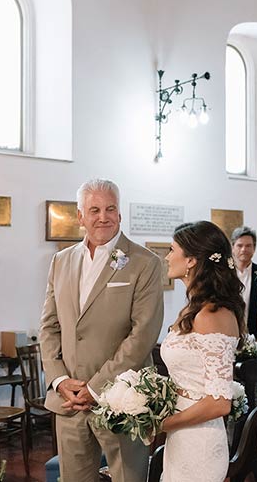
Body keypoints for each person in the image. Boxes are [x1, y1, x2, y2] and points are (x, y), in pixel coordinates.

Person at [39, 178, 164, 482]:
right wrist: (59, 380)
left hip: (120, 399)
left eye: (111, 209)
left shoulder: (145, 262)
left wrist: (96, 388)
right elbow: (49, 326)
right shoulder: (61, 261)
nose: (103, 216)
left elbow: (143, 334)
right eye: (94, 209)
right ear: (80, 216)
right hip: (69, 401)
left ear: (120, 215)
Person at [159, 221, 246, 482]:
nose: (166, 257)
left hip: (200, 441)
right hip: (182, 435)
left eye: (172, 249)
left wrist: (162, 425)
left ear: (191, 261)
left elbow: (219, 403)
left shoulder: (213, 314)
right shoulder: (194, 308)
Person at [231, 226, 257, 338]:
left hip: (255, 336)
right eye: (239, 245)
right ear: (232, 247)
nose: (244, 249)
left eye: (248, 246)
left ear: (254, 248)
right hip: (228, 333)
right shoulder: (223, 273)